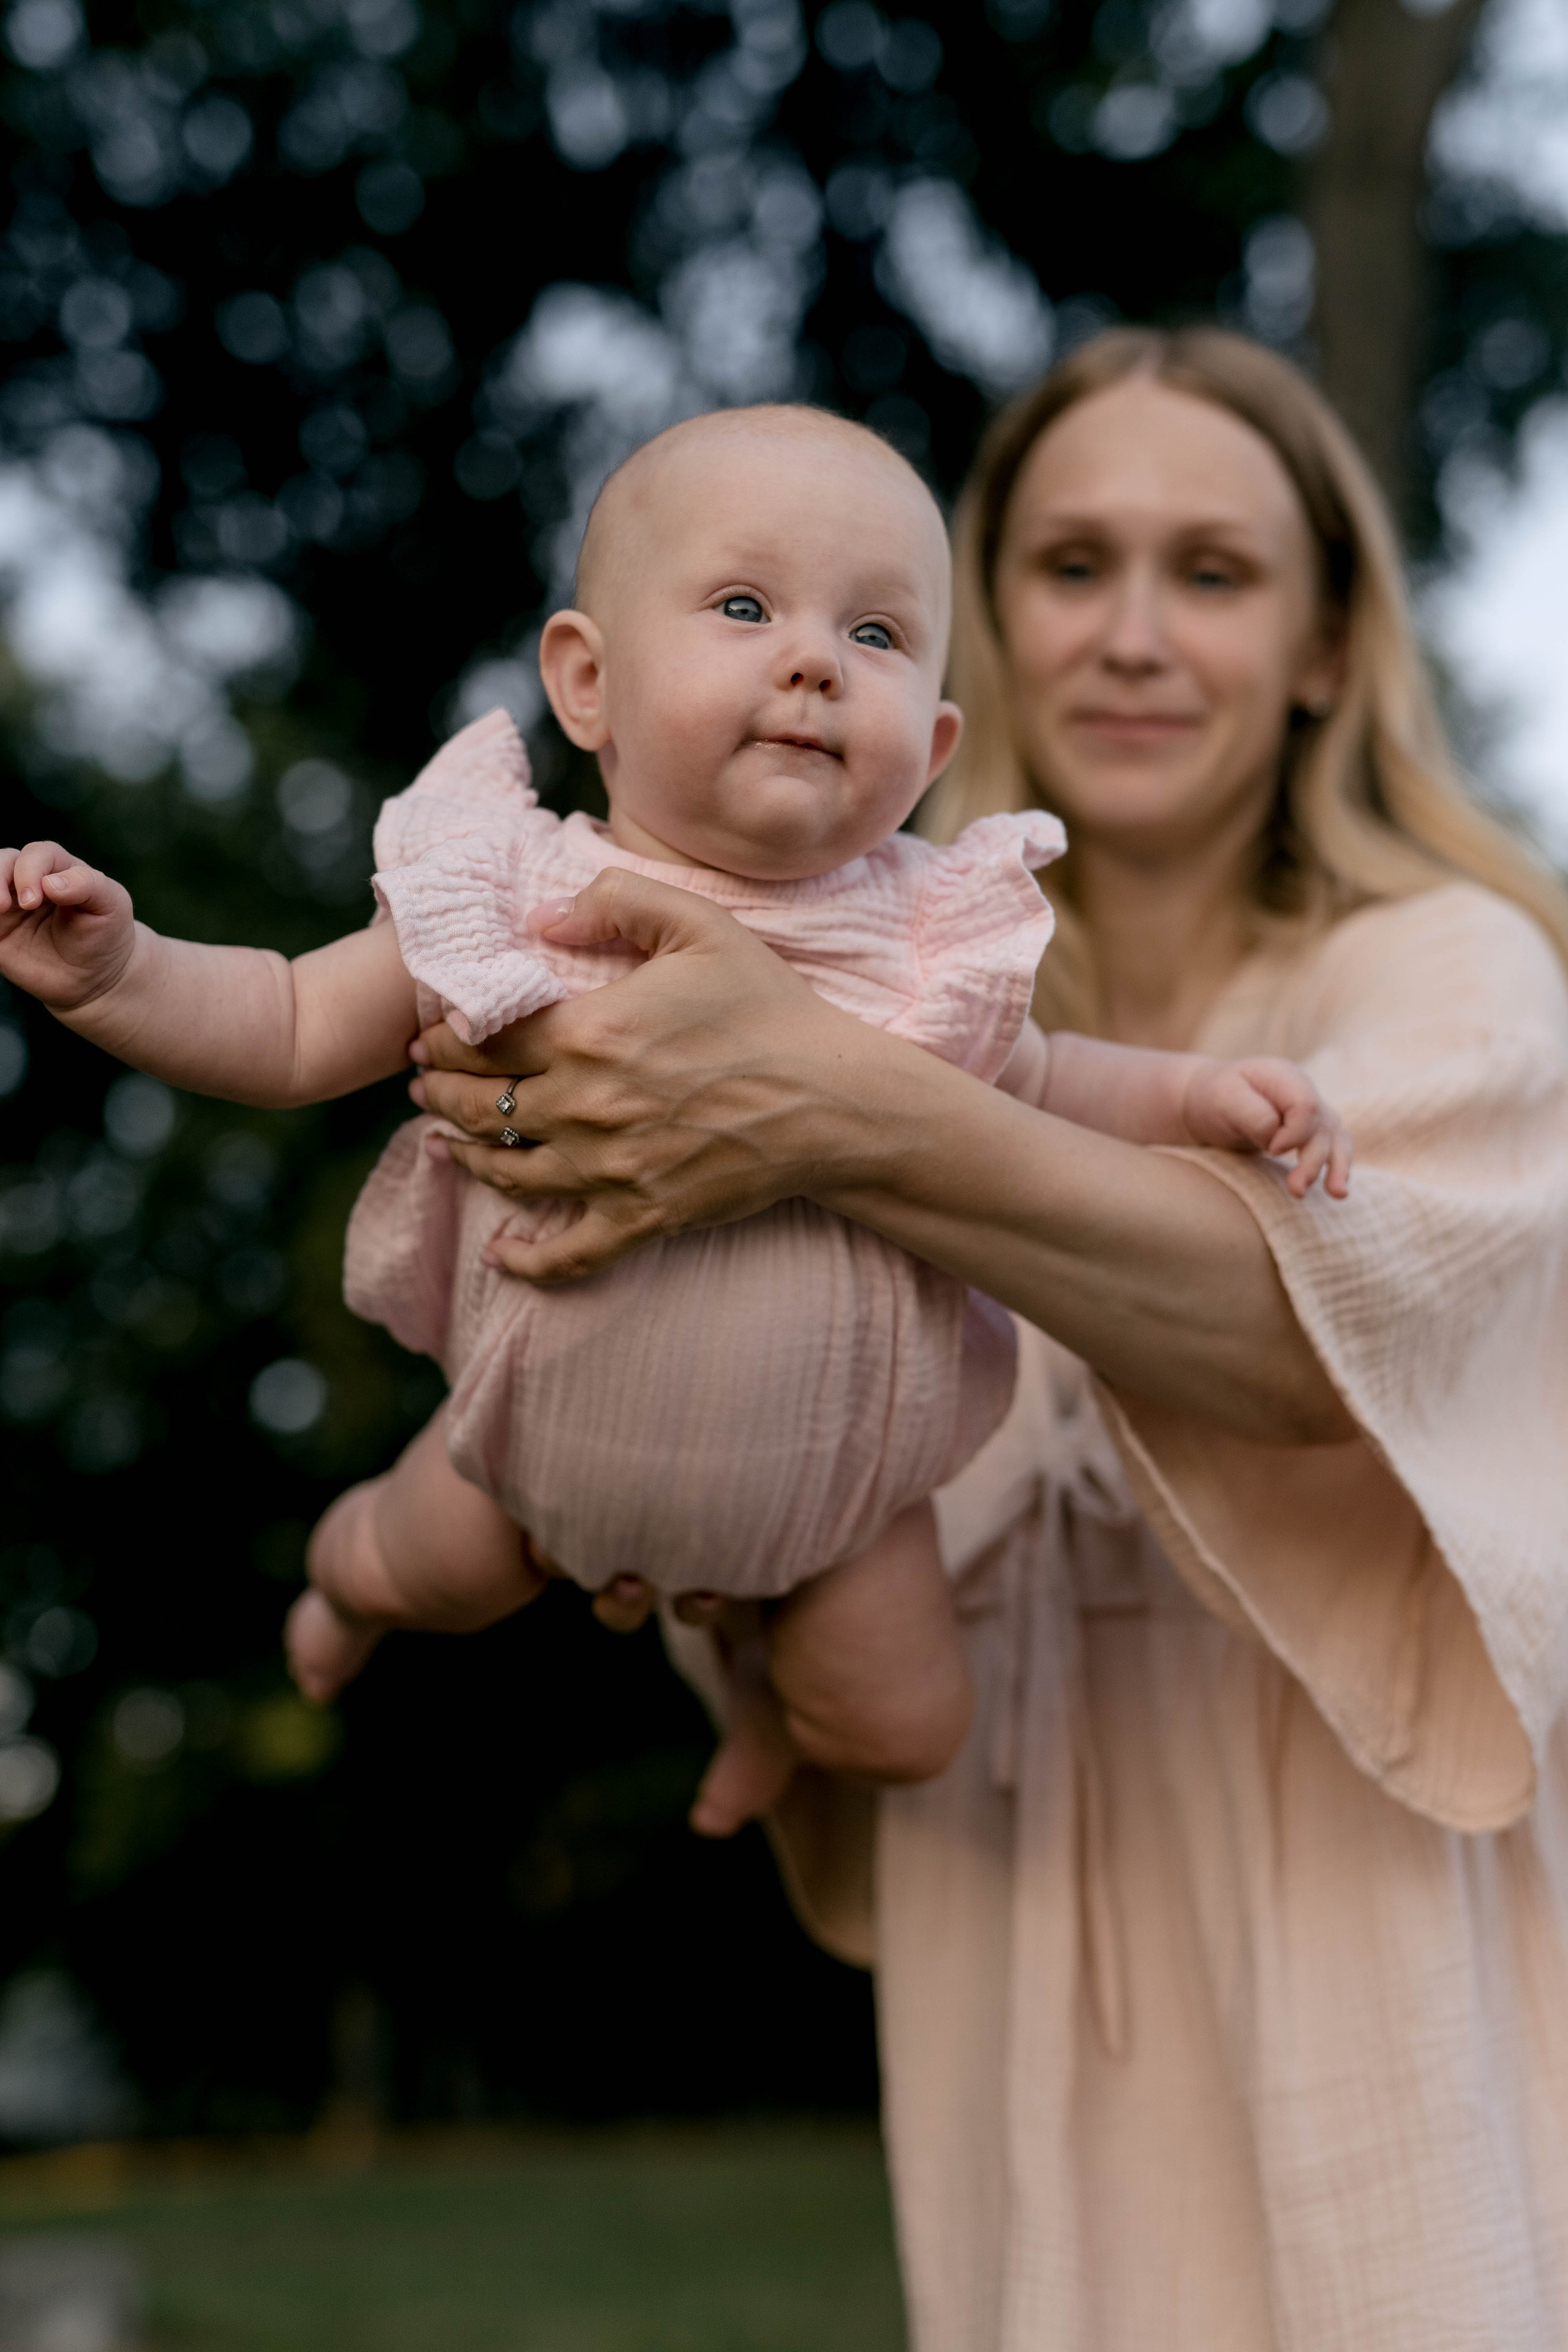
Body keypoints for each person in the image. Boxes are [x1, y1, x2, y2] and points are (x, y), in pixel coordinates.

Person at [406, 332, 1568, 2351]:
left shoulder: (1448, 964)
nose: (1130, 634)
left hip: (1368, 1898)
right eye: (1068, 565)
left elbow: (1317, 1332)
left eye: (1210, 572)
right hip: (1011, 1871)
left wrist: (831, 1111)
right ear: (992, 636)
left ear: (1318, 641)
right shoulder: (854, 956)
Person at [0, 401, 1346, 1844]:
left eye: (878, 637)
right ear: (588, 684)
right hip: (516, 1461)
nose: (815, 659)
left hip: (842, 1510)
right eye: (745, 605)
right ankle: (335, 1595)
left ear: (938, 741)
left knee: (908, 1728)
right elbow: (278, 1022)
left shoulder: (926, 952)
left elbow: (1060, 1085)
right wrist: (122, 973)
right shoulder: (513, 895)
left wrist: (1201, 1095)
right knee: (415, 1561)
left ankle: (771, 1701)